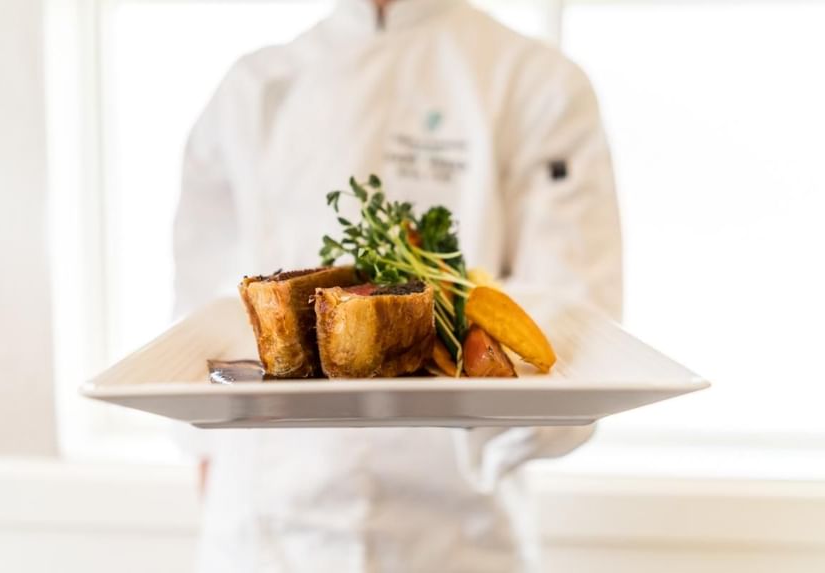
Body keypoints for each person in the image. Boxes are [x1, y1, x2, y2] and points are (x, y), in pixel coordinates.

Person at [173, 0, 622, 571]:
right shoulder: (253, 86)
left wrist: (499, 432)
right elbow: (194, 307)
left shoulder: (538, 83)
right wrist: (205, 454)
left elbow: (577, 339)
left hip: (455, 535)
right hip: (265, 530)